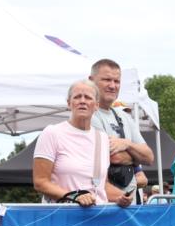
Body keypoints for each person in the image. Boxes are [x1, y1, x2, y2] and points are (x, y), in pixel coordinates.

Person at [33, 80, 132, 208]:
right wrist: (75, 196)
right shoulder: (52, 132)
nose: (82, 101)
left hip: (96, 218)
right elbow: (40, 182)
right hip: (64, 217)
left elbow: (101, 185)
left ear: (96, 105)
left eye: (88, 97)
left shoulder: (101, 138)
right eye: (77, 97)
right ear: (69, 103)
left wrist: (121, 197)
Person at [88, 59, 154, 202]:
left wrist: (127, 144)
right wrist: (136, 158)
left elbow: (149, 157)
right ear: (91, 81)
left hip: (129, 204)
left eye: (116, 81)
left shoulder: (124, 117)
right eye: (106, 80)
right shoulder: (88, 115)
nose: (112, 86)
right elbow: (114, 157)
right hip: (102, 204)